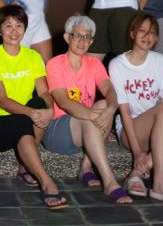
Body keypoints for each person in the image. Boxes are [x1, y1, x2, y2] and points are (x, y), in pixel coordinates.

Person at [0, 4, 69, 210]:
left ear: (25, 29)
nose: (14, 31)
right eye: (8, 26)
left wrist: (49, 110)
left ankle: (23, 166)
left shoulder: (33, 57)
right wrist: (32, 113)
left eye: (19, 25)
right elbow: (2, 101)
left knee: (40, 104)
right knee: (24, 118)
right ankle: (47, 182)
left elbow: (44, 92)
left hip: (21, 118)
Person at [42, 15, 132, 204]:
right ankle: (109, 181)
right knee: (91, 115)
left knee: (104, 105)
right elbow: (64, 102)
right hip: (58, 130)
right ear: (67, 38)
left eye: (87, 37)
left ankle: (86, 166)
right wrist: (96, 116)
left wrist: (111, 108)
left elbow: (109, 90)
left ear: (91, 41)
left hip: (84, 126)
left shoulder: (94, 64)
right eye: (77, 36)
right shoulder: (54, 64)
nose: (82, 41)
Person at [109, 13, 163, 205]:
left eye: (153, 33)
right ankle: (160, 181)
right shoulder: (118, 65)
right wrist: (137, 152)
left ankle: (137, 173)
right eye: (142, 31)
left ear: (157, 38)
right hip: (130, 133)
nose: (147, 36)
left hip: (158, 129)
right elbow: (125, 113)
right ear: (132, 33)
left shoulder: (161, 62)